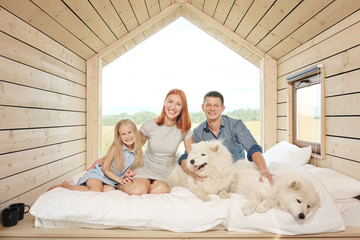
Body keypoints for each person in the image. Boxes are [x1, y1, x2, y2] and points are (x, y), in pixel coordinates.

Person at [178, 91, 274, 184]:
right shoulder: (197, 132)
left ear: (222, 108)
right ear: (203, 107)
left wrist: (264, 171)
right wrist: (192, 174)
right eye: (208, 105)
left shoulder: (236, 125)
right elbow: (186, 157)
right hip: (214, 176)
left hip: (237, 171)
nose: (212, 109)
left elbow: (253, 148)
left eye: (216, 105)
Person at [118, 89, 193, 195]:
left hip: (163, 174)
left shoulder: (185, 131)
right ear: (164, 103)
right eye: (170, 101)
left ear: (182, 108)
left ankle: (145, 185)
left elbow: (193, 157)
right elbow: (131, 147)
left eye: (178, 104)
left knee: (160, 190)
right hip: (145, 167)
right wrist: (106, 160)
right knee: (139, 190)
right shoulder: (151, 125)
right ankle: (116, 182)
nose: (172, 107)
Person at [47, 118, 143, 192]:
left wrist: (127, 174)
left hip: (111, 180)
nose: (127, 136)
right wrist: (120, 180)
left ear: (135, 132)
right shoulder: (116, 148)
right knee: (95, 191)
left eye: (129, 132)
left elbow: (127, 169)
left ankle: (102, 185)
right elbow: (105, 169)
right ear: (119, 137)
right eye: (123, 134)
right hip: (98, 174)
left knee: (109, 190)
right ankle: (66, 186)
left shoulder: (137, 152)